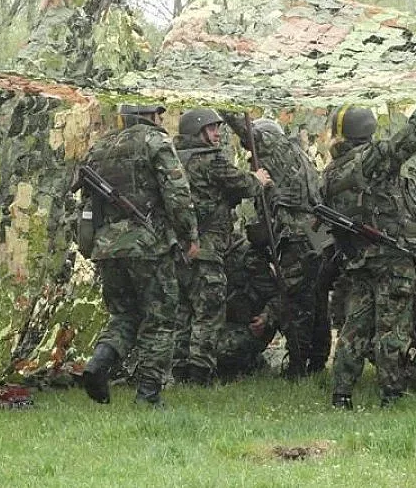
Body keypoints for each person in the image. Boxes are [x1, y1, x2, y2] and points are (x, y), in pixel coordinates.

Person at [322, 92, 416, 408]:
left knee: (354, 329)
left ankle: (341, 395)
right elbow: (409, 137)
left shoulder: (333, 172)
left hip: (359, 260)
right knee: (392, 330)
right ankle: (391, 395)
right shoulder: (373, 159)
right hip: (392, 258)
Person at [80, 104, 198, 407]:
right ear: (150, 115)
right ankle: (148, 395)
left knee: (124, 315)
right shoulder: (155, 141)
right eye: (158, 114)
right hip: (149, 245)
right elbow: (177, 194)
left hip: (107, 248)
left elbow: (86, 204)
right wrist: (189, 236)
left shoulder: (100, 148)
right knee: (160, 319)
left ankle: (99, 363)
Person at [222, 114, 331, 379]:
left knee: (296, 299)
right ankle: (317, 360)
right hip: (316, 232)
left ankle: (297, 367)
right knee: (315, 295)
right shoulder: (298, 157)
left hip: (297, 235)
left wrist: (225, 106)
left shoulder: (273, 145)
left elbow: (247, 131)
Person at [171, 107, 271, 385]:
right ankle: (199, 375)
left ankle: (179, 370)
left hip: (180, 247)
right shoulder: (210, 160)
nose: (217, 133)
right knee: (209, 311)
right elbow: (243, 184)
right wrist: (258, 179)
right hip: (208, 247)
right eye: (211, 128)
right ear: (197, 131)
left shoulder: (173, 160)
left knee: (184, 311)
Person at [214, 236, 280, 380]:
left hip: (244, 326)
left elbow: (278, 296)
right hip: (215, 325)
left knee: (224, 352)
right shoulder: (198, 254)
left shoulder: (247, 256)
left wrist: (265, 317)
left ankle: (255, 362)